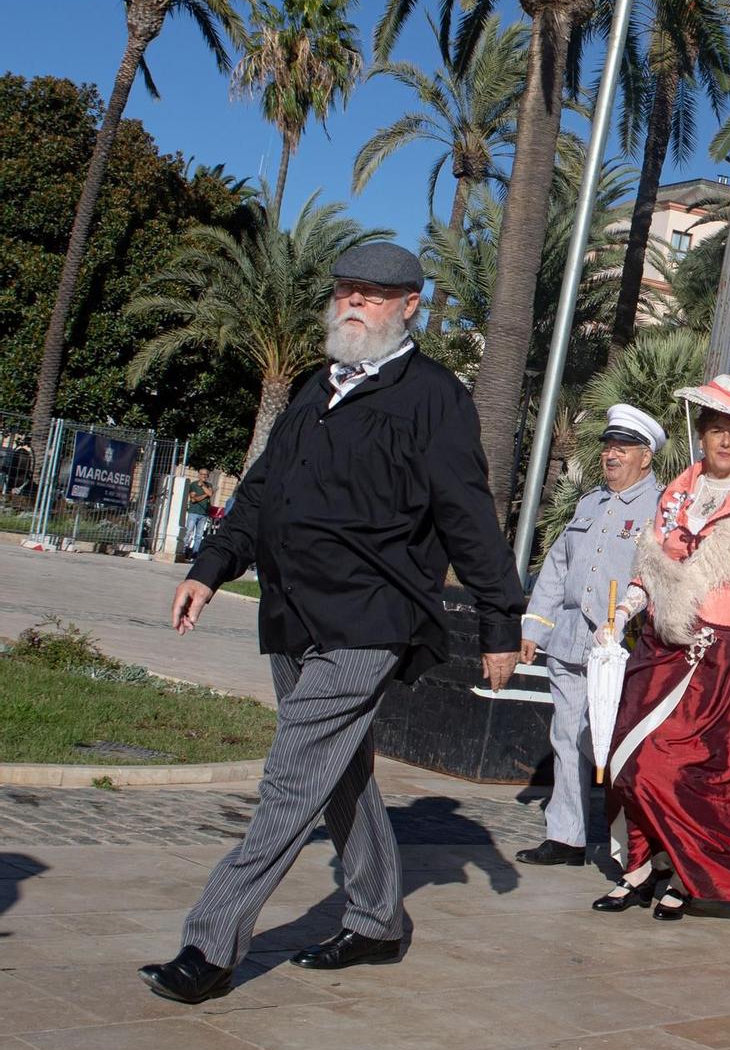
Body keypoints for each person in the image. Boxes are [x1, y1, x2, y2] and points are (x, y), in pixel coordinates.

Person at [140, 244, 524, 1004]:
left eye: (374, 295)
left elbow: (467, 513)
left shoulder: (433, 397)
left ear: (412, 305)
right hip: (294, 611)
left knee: (290, 778)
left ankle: (210, 944)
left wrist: (500, 618)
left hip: (371, 617)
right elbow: (259, 493)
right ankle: (379, 917)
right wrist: (209, 567)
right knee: (338, 770)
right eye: (346, 289)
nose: (354, 304)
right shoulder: (318, 387)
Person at [594, 375, 730, 919]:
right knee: (628, 756)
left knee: (688, 770)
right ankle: (640, 867)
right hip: (662, 644)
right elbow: (652, 565)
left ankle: (683, 876)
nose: (725, 442)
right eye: (716, 431)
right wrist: (624, 612)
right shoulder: (677, 490)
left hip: (721, 653)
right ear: (703, 436)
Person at [513, 404, 665, 870]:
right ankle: (567, 836)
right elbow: (558, 566)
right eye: (608, 447)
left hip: (622, 649)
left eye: (623, 448)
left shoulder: (661, 509)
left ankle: (635, 846)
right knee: (566, 736)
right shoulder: (589, 504)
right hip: (569, 640)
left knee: (621, 746)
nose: (611, 455)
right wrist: (535, 627)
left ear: (646, 457)